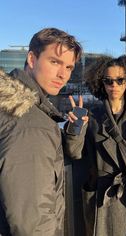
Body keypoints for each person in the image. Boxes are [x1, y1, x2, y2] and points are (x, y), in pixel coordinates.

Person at [64, 55, 126, 236]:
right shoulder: (90, 116)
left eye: (120, 80)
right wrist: (76, 125)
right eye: (108, 81)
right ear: (101, 83)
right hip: (99, 196)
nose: (114, 85)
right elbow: (74, 152)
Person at [0, 27, 82, 236]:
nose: (63, 74)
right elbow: (32, 222)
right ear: (31, 58)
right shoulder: (31, 124)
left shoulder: (9, 104)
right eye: (55, 62)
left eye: (70, 67)